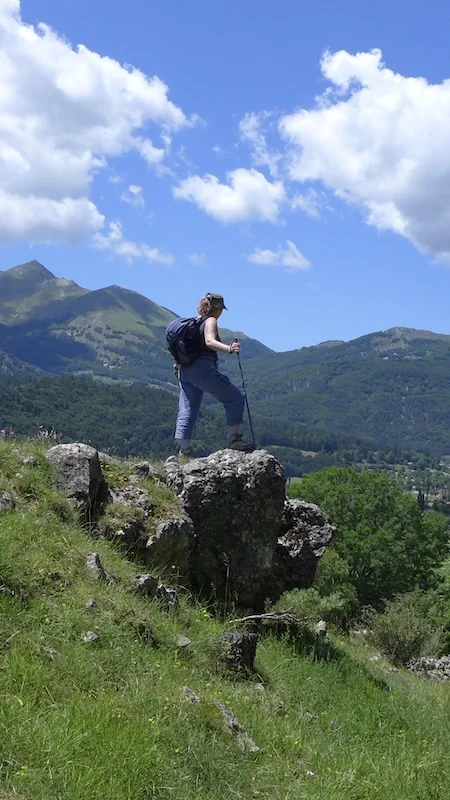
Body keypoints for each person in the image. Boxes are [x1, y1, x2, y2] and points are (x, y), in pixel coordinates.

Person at [174, 293, 255, 456]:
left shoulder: (193, 323)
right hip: (202, 369)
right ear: (217, 308)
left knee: (188, 409)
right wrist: (229, 348)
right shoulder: (211, 320)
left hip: (184, 370)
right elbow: (210, 341)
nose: (221, 313)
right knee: (235, 398)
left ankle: (185, 451)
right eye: (221, 309)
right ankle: (234, 440)